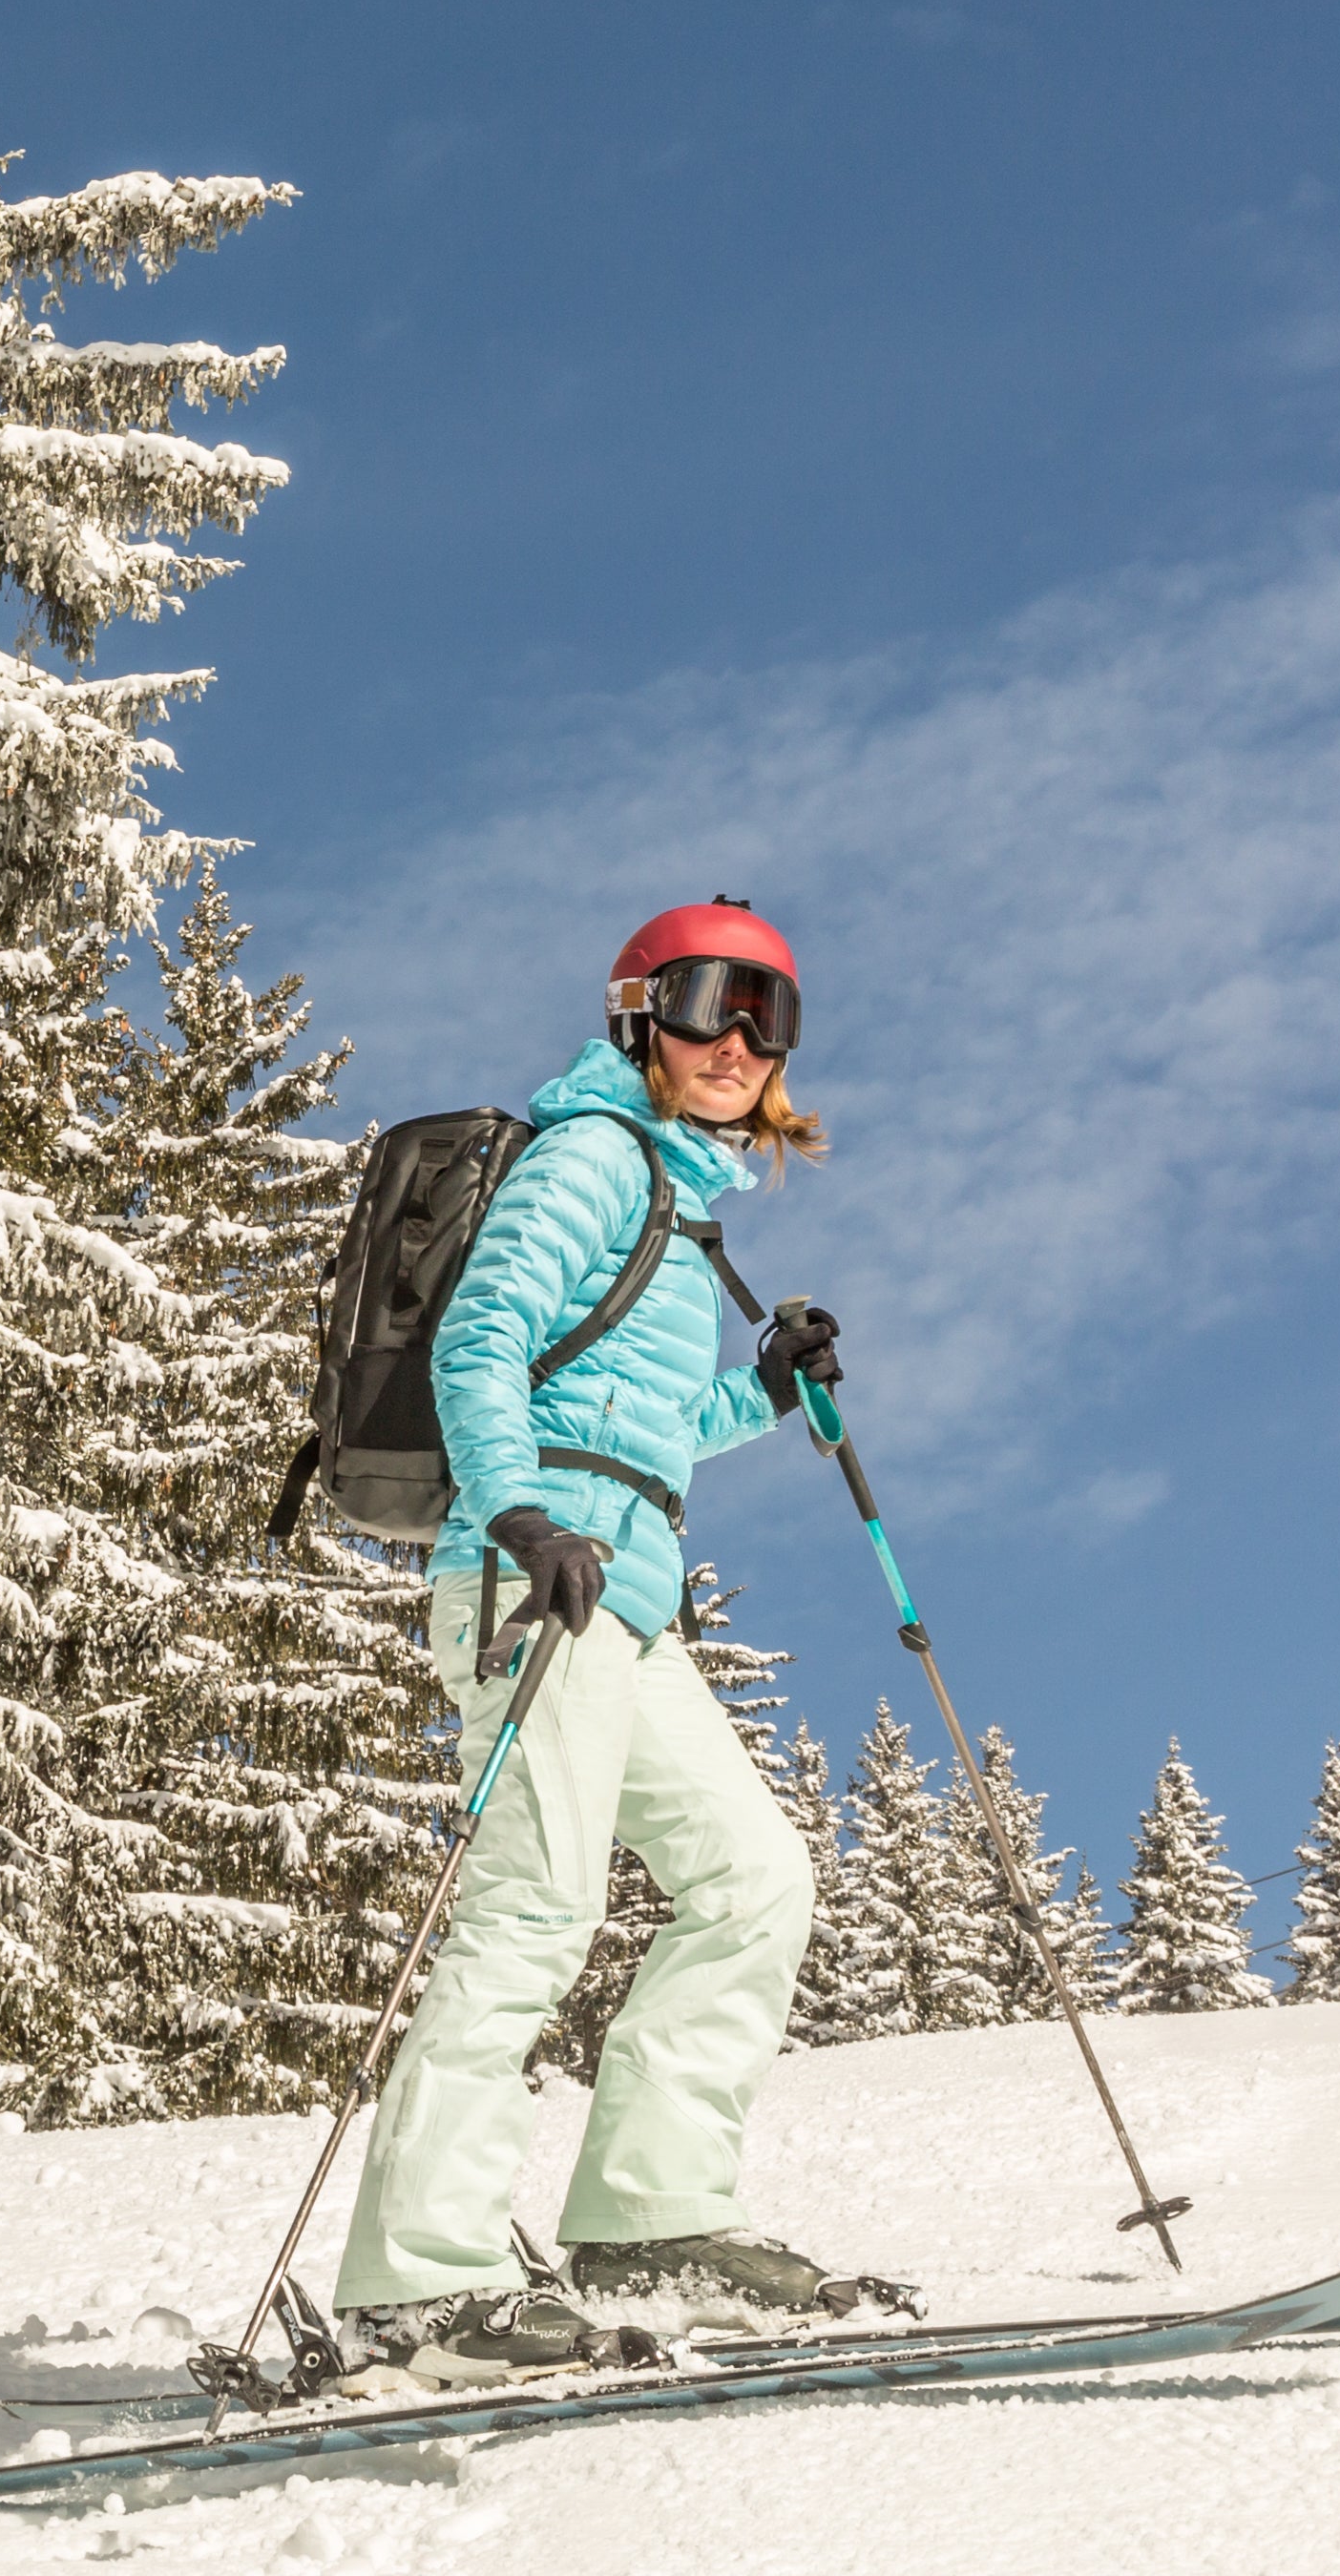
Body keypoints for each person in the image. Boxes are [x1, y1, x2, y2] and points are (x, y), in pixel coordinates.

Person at [328, 899, 876, 2373]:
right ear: (641, 1014)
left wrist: (764, 1390)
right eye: (709, 1002)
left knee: (756, 1881)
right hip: (534, 1584)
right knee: (533, 1910)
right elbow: (483, 1336)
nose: (740, 1041)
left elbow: (642, 1430)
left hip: (622, 1604)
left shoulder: (679, 1210)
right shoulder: (590, 1157)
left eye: (772, 1015)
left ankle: (647, 2222)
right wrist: (514, 1516)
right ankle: (414, 2283)